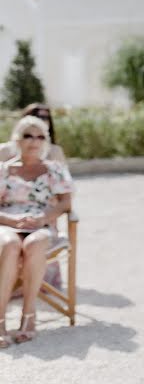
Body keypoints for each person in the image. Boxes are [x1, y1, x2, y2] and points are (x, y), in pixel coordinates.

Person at [0, 116, 74, 347]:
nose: (34, 141)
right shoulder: (3, 170)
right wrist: (12, 219)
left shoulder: (55, 169)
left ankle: (28, 318)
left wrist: (44, 217)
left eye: (40, 136)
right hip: (7, 222)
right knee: (10, 246)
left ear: (46, 141)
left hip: (41, 224)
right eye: (28, 135)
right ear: (17, 140)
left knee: (34, 244)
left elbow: (65, 203)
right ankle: (0, 321)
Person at [0, 104, 67, 163]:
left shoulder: (55, 151)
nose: (39, 120)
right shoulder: (4, 150)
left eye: (45, 117)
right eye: (36, 116)